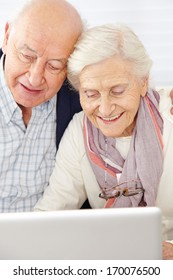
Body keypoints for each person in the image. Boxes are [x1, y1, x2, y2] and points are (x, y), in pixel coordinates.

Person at [34, 24, 173, 259]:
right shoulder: (80, 131)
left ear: (143, 82)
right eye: (91, 94)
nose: (105, 109)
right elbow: (48, 217)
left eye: (118, 91)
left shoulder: (169, 113)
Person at [0, 0, 83, 212]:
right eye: (27, 56)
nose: (35, 78)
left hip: (50, 241)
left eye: (54, 66)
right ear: (6, 37)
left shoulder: (79, 101)